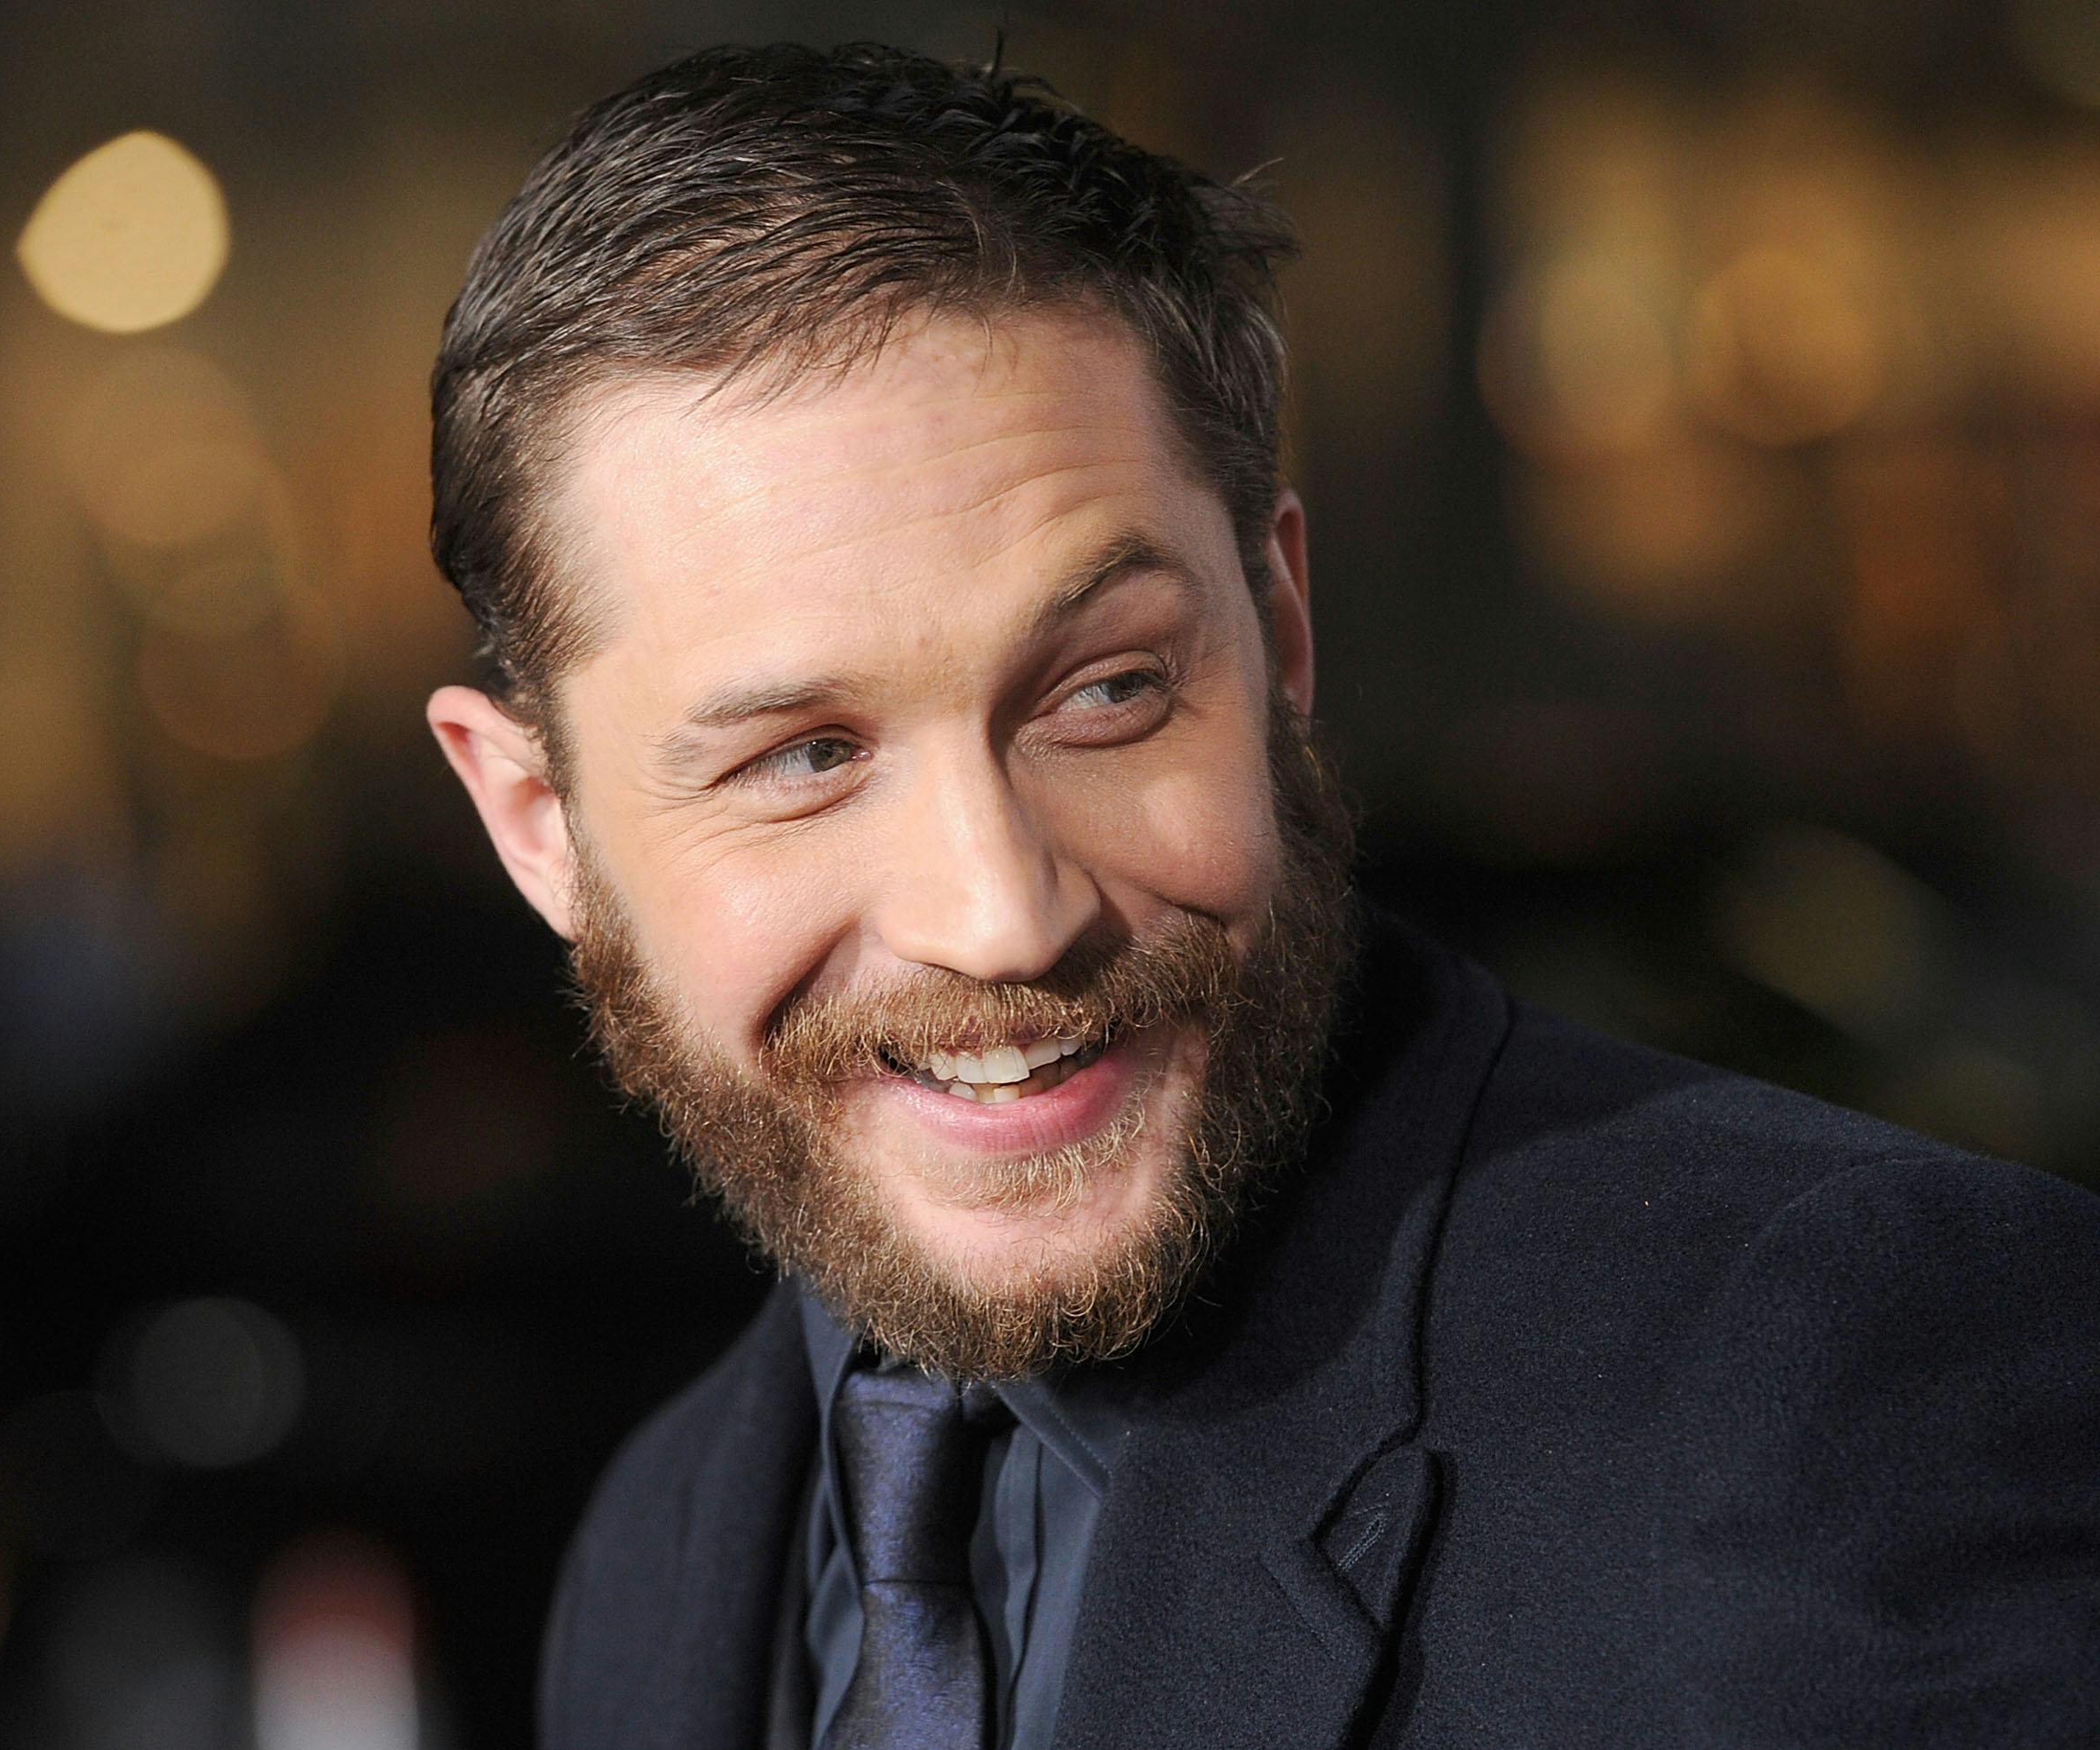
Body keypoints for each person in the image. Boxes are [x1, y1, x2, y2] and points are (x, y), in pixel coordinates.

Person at [420, 41, 2100, 1750]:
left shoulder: (1836, 1383)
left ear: (1279, 633)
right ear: (539, 825)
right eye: (802, 758)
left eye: (1107, 692)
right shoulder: (664, 1544)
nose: (1001, 915)